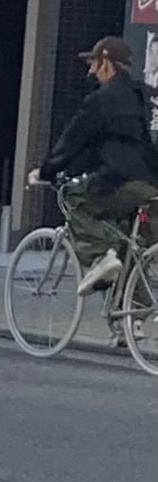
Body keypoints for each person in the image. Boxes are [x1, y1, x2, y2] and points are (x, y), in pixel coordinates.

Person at [34, 35, 158, 292]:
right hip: (152, 184)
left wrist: (46, 171)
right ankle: (132, 311)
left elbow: (72, 141)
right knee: (127, 249)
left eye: (93, 64)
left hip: (123, 182)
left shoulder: (102, 100)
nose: (91, 71)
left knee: (72, 198)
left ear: (106, 63)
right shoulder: (147, 97)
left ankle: (98, 257)